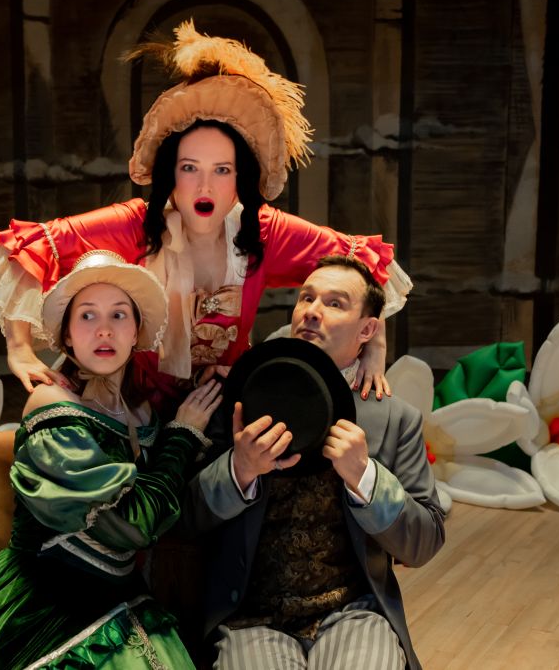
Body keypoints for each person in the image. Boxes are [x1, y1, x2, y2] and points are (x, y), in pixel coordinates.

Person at [0, 21, 412, 414]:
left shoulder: (264, 231)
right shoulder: (133, 224)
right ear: (170, 175)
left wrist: (374, 349)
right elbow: (30, 247)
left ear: (240, 179)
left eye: (222, 171)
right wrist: (20, 350)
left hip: (219, 406)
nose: (205, 187)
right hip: (126, 403)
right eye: (189, 168)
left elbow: (364, 266)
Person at [0, 250, 221, 669]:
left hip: (118, 597)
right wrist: (182, 436)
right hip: (43, 603)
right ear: (67, 335)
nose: (104, 329)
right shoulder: (52, 405)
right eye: (87, 316)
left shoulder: (141, 412)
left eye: (119, 315)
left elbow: (164, 500)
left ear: (136, 332)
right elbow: (133, 526)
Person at [183, 255, 445, 670]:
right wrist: (239, 469)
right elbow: (186, 517)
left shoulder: (396, 419)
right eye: (306, 298)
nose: (312, 311)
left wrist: (366, 477)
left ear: (367, 330)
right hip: (251, 618)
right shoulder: (239, 397)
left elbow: (425, 541)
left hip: (354, 613)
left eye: (335, 303)